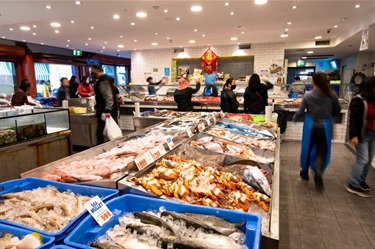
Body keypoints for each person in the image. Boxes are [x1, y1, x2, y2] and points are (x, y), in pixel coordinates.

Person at [293, 72, 341, 190]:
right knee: (322, 150)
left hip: (311, 125)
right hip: (325, 126)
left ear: (313, 81)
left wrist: (295, 119)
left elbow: (300, 111)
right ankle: (318, 170)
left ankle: (305, 172)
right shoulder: (331, 94)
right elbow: (338, 109)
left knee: (307, 149)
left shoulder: (308, 95)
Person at [346, 76, 375, 198]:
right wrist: (354, 135)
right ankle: (354, 184)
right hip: (362, 134)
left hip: (373, 133)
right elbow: (354, 119)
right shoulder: (359, 100)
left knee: (368, 160)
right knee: (363, 159)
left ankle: (360, 180)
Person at [90, 64, 119, 144]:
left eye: (92, 72)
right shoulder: (107, 80)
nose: (91, 74)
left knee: (101, 133)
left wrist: (107, 110)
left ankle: (103, 151)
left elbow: (108, 96)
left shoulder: (103, 81)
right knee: (110, 131)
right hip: (109, 110)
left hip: (105, 111)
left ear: (97, 71)